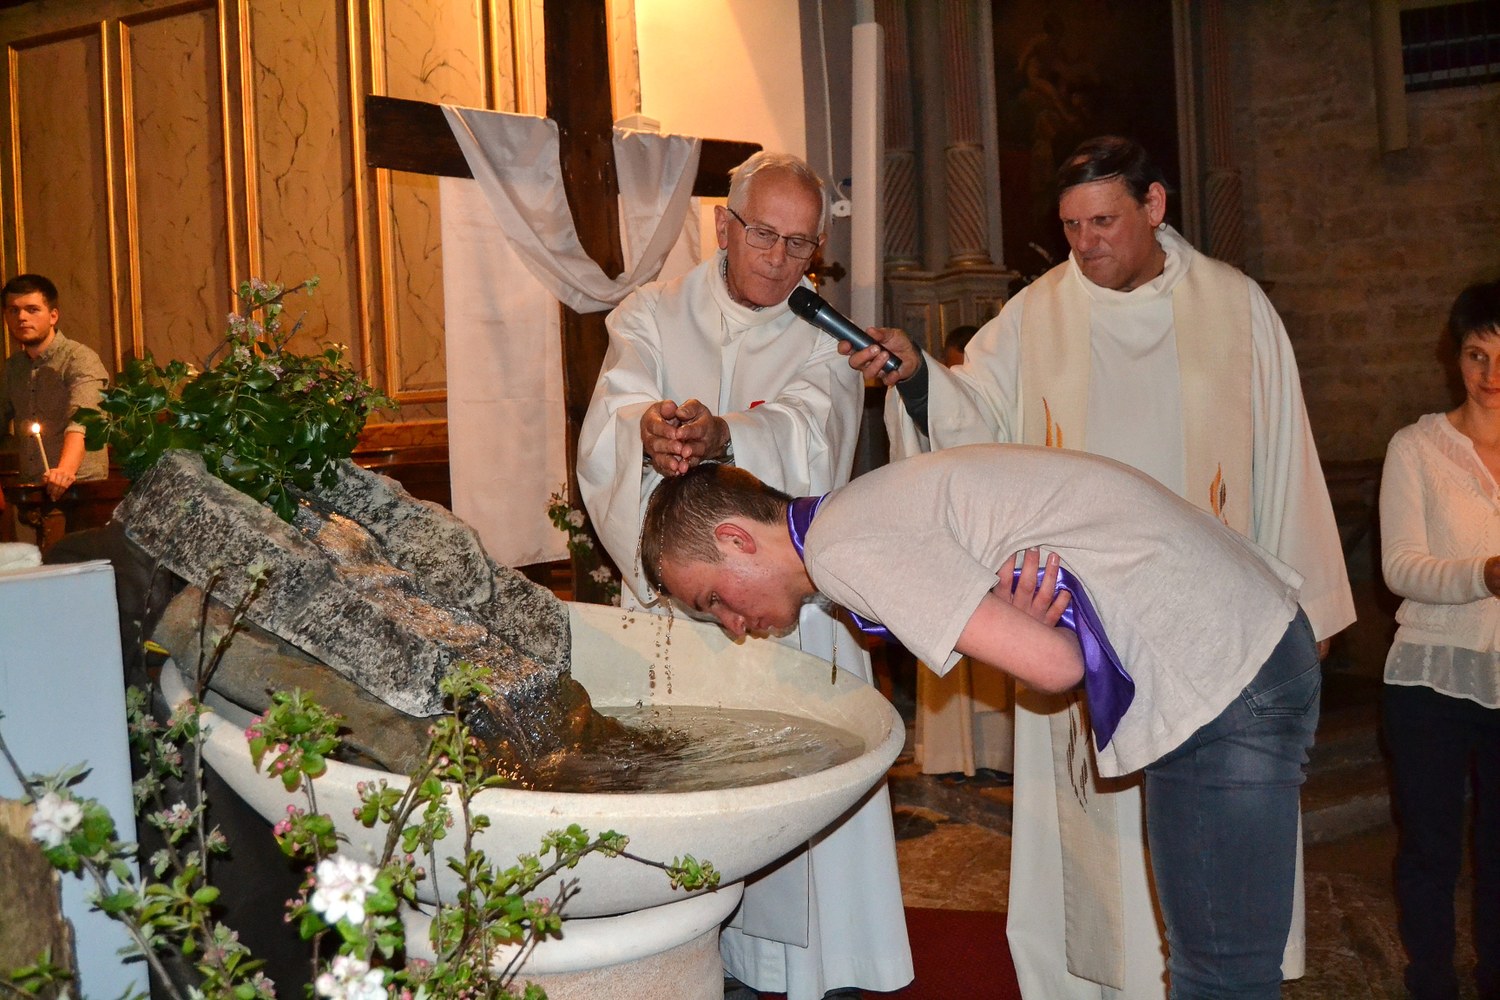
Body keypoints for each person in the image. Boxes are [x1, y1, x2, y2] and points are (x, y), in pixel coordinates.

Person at [842, 135, 1355, 999]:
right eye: (1072, 227)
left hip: (1213, 631)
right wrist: (921, 378)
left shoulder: (1236, 307)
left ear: (1154, 206)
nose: (1085, 245)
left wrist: (1314, 613)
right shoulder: (1037, 313)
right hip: (1085, 631)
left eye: (1104, 222)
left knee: (1217, 875)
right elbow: (973, 420)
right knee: (1098, 874)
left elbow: (1284, 457)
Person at [641, 448, 1323, 1000]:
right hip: (1239, 640)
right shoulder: (854, 512)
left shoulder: (841, 547)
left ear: (735, 538)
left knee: (1221, 976)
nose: (733, 626)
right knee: (1224, 966)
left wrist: (1025, 633)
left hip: (1219, 665)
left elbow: (1055, 667)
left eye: (714, 599)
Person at [575, 151, 912, 999]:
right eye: (763, 234)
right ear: (725, 227)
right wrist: (648, 432)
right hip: (676, 615)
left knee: (802, 837)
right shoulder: (652, 313)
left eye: (801, 244)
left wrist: (724, 436)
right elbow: (608, 419)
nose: (779, 258)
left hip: (789, 613)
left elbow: (816, 435)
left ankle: (809, 981)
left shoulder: (828, 334)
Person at [1378, 279, 1500, 1000]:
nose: (1491, 374)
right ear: (1455, 357)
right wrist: (1485, 573)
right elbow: (1400, 567)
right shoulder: (1417, 448)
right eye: (1477, 354)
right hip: (1431, 679)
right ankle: (1430, 982)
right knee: (1430, 848)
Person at [914, 323, 1016, 784]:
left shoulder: (1003, 406)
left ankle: (998, 753)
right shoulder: (936, 405)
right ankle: (951, 755)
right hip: (948, 539)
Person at [2, 273, 110, 502]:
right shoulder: (12, 368)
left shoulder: (79, 359)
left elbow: (83, 421)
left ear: (53, 316)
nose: (21, 317)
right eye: (13, 310)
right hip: (32, 489)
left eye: (32, 309)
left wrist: (64, 471)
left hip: (80, 489)